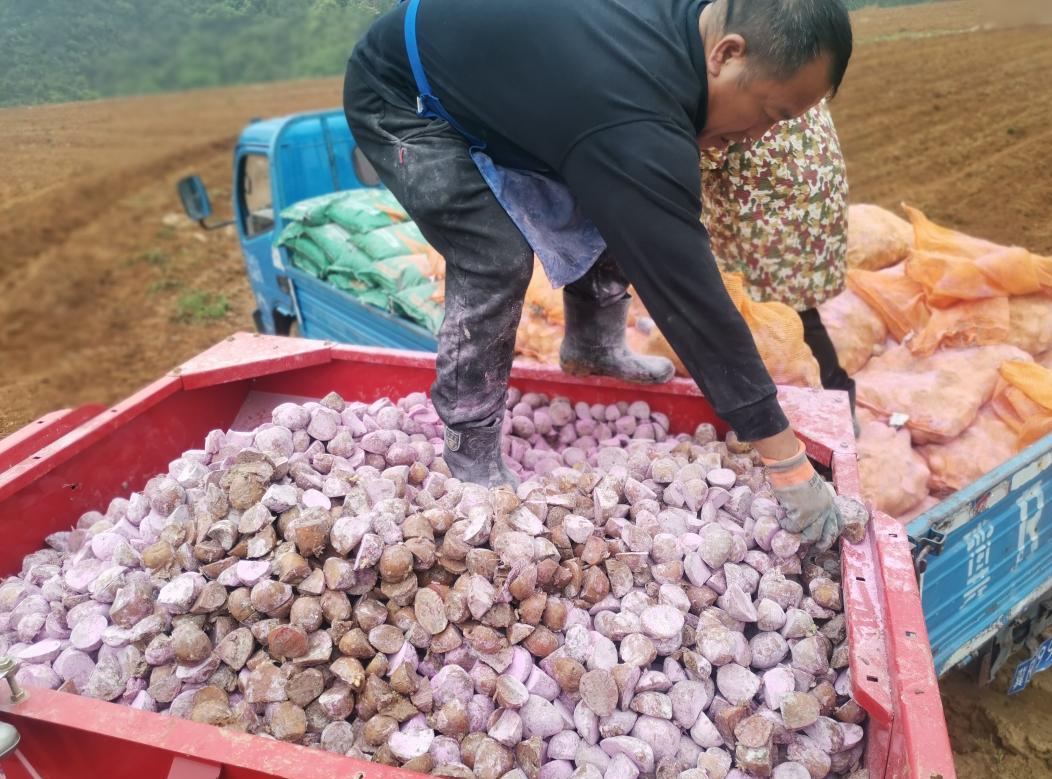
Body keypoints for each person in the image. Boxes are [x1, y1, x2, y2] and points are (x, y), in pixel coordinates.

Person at [344, 0, 853, 545]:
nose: (757, 135)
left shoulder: (676, 46)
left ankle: (591, 346)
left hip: (505, 76)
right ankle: (469, 443)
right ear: (727, 54)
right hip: (401, 93)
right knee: (494, 257)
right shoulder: (631, 108)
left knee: (623, 199)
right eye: (771, 113)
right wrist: (787, 465)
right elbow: (689, 299)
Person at [700, 100, 857, 415]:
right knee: (795, 311)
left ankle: (830, 404)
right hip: (808, 208)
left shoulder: (730, 100)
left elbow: (699, 152)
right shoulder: (787, 74)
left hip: (770, 222)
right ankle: (835, 399)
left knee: (782, 318)